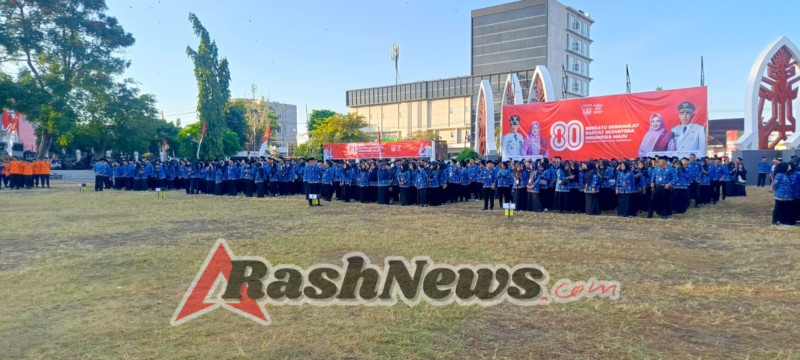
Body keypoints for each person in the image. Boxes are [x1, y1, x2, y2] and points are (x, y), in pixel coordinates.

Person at [771, 162, 793, 226]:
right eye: (788, 166)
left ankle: (783, 221)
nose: (789, 167)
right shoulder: (779, 175)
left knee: (784, 208)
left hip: (786, 195)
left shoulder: (786, 174)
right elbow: (775, 185)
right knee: (777, 208)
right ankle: (774, 221)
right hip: (780, 195)